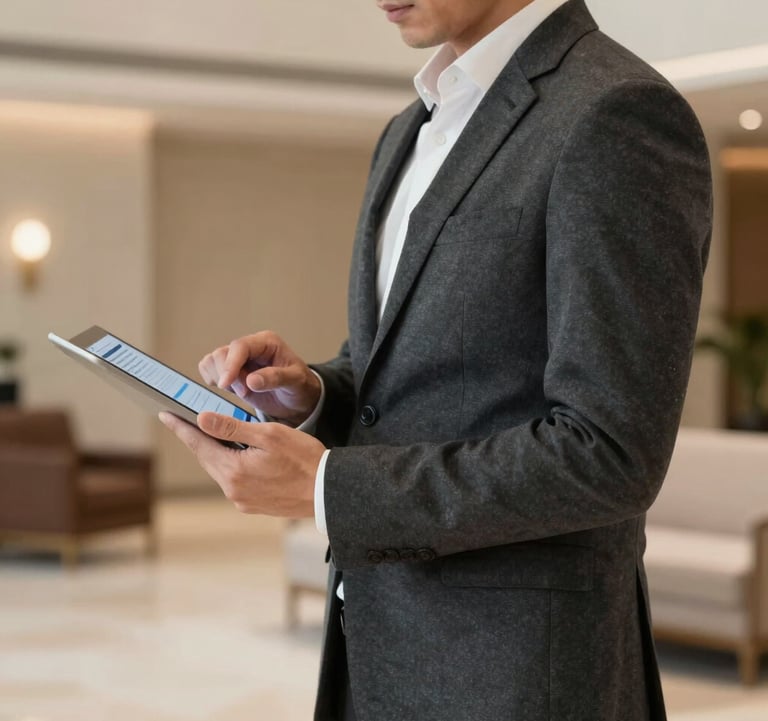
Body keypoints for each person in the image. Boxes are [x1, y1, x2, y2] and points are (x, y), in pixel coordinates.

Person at [160, 0, 713, 719]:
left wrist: (330, 488)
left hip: (518, 676)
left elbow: (609, 453)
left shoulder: (616, 114)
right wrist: (314, 395)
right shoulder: (407, 130)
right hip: (375, 648)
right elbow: (397, 374)